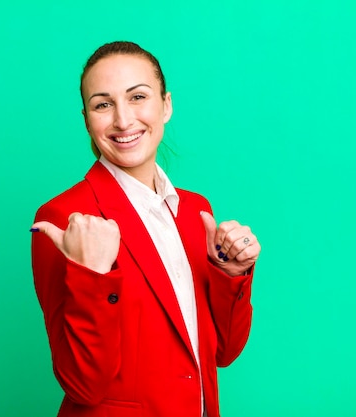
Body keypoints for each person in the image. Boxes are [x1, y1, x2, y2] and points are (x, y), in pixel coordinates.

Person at [30, 41, 261, 417]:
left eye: (137, 97)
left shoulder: (194, 210)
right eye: (103, 104)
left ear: (166, 105)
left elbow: (223, 353)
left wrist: (231, 274)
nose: (123, 120)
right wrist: (92, 275)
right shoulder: (66, 218)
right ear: (87, 119)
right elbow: (82, 386)